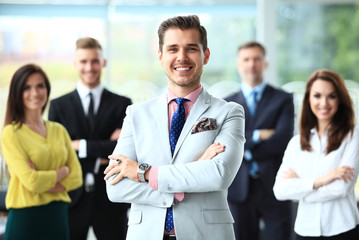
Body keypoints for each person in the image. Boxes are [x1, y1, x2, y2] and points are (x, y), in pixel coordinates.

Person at [104, 15, 245, 240]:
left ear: (205, 55)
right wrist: (194, 172)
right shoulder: (136, 114)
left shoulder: (229, 112)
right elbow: (115, 187)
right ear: (160, 56)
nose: (181, 57)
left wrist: (144, 172)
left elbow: (218, 175)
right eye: (172, 49)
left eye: (191, 48)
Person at [48, 37, 132, 240]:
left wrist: (79, 146)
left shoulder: (123, 104)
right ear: (76, 63)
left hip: (111, 198)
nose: (89, 67)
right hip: (71, 198)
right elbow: (57, 153)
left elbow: (122, 150)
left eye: (95, 61)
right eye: (84, 61)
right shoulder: (58, 106)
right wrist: (103, 152)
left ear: (103, 62)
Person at [273, 69, 359, 239]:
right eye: (317, 95)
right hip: (304, 230)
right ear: (308, 99)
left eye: (332, 96)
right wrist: (322, 180)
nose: (324, 103)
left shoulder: (353, 135)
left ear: (340, 99)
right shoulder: (296, 144)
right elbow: (280, 190)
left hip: (342, 228)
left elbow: (341, 188)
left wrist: (301, 187)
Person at [0, 63, 82, 239]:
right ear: (17, 93)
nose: (35, 93)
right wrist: (62, 171)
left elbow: (76, 177)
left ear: (47, 89)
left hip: (58, 218)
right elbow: (32, 182)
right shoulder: (11, 133)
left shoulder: (59, 130)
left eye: (40, 86)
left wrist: (43, 180)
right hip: (25, 220)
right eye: (27, 88)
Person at [225, 41, 294, 240]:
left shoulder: (283, 99)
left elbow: (282, 140)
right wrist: (258, 135)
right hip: (239, 189)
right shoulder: (226, 103)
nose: (251, 64)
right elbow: (226, 144)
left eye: (257, 59)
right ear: (239, 64)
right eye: (246, 59)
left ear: (265, 63)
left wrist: (243, 145)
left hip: (274, 186)